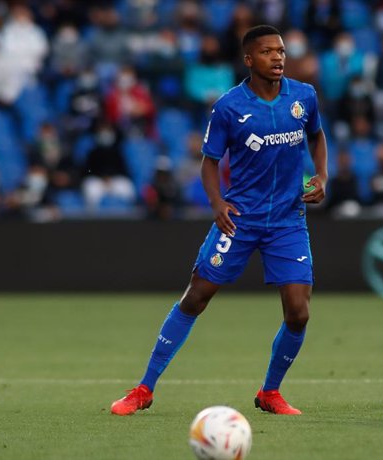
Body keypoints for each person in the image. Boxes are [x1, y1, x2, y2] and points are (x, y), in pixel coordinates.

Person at [110, 25, 328, 416]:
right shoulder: (229, 106)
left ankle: (270, 393)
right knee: (196, 297)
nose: (278, 58)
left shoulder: (304, 96)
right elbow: (210, 162)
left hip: (287, 219)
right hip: (239, 218)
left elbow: (317, 135)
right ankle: (144, 388)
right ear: (249, 59)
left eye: (281, 51)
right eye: (267, 52)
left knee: (299, 311)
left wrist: (322, 174)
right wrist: (216, 203)